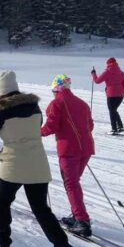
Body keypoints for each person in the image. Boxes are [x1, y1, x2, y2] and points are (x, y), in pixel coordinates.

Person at [0, 71, 75, 247]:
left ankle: (2, 242)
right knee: (41, 209)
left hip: (14, 165)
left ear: (1, 92)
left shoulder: (2, 110)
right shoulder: (34, 107)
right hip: (38, 164)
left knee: (2, 203)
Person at [41, 74, 95, 236]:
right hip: (86, 148)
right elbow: (90, 125)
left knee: (71, 184)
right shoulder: (82, 103)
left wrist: (36, 132)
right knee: (73, 183)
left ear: (56, 89)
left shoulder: (57, 103)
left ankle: (82, 220)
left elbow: (51, 126)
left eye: (53, 91)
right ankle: (77, 215)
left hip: (69, 150)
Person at [92, 58, 124, 134]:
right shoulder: (121, 73)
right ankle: (120, 126)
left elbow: (97, 81)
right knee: (114, 110)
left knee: (112, 111)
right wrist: (121, 92)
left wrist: (93, 74)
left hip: (111, 95)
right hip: (120, 95)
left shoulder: (107, 72)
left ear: (108, 64)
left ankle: (114, 129)